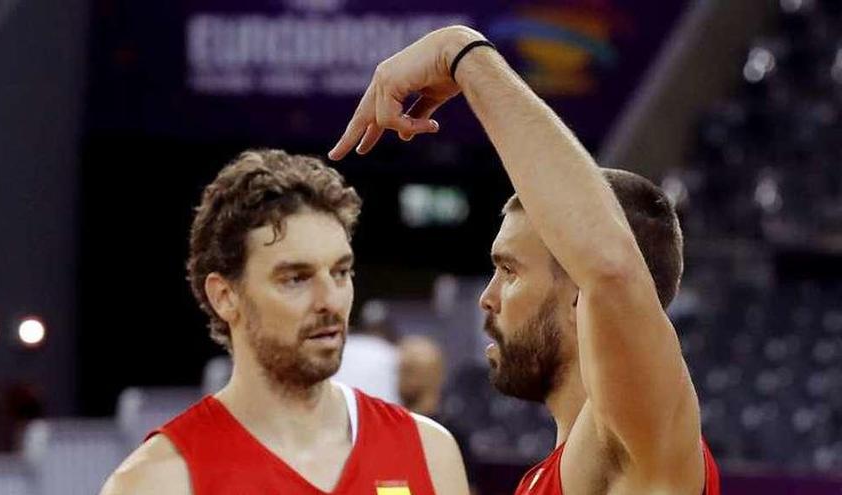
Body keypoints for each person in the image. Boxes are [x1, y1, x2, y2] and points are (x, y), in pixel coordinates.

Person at [329, 25, 721, 495]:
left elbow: (612, 269)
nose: (487, 299)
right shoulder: (552, 475)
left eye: (509, 271)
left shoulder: (637, 436)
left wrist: (460, 52)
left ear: (582, 297)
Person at [100, 150, 469, 494]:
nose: (330, 301)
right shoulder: (158, 481)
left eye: (340, 272)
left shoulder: (428, 451)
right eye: (296, 278)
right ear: (225, 297)